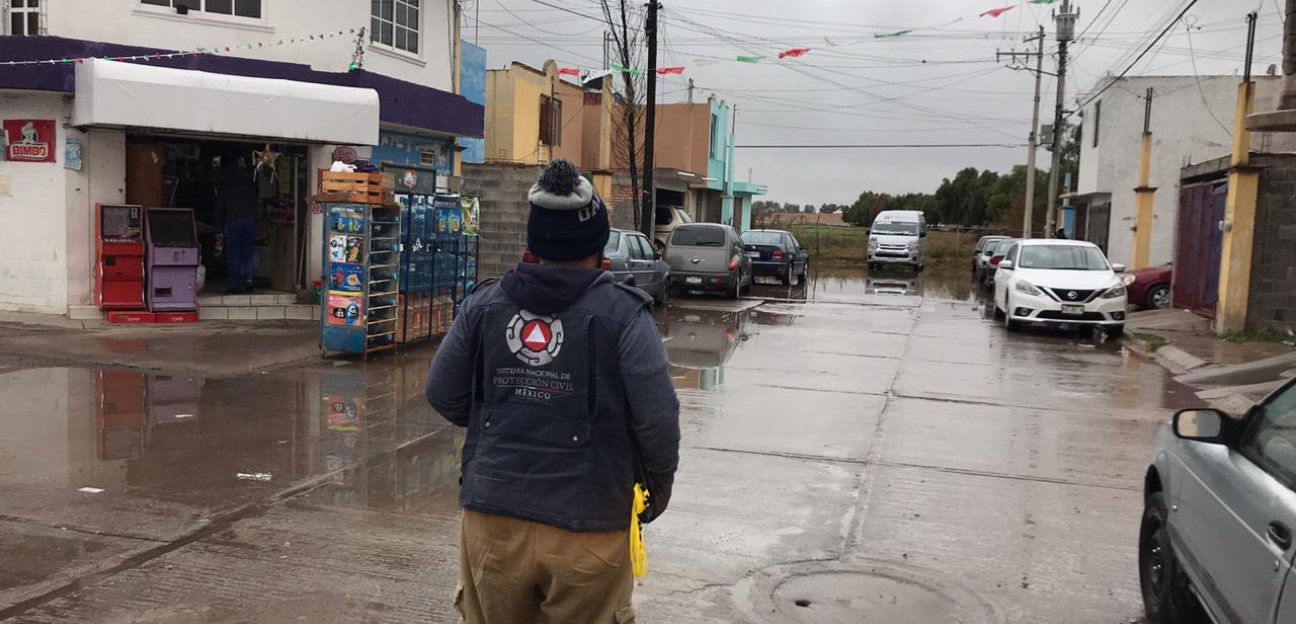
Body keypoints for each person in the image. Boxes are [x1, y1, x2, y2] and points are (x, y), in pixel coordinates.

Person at [425, 159, 681, 623]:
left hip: (492, 521)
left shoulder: (484, 304)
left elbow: (443, 392)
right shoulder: (625, 316)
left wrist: (505, 420)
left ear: (534, 240)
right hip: (591, 527)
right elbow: (658, 419)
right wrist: (654, 493)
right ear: (597, 241)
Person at [215, 158, 259, 293]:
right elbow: (256, 205)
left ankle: (235, 284)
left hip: (233, 221)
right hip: (249, 221)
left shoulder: (225, 186)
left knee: (234, 253)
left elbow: (219, 208)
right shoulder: (249, 185)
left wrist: (218, 227)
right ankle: (249, 279)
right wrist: (257, 221)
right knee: (247, 252)